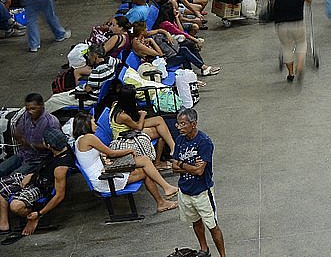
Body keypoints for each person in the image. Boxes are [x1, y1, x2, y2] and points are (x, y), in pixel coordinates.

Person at [72, 111, 178, 211]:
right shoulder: (88, 138)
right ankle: (163, 199)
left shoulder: (80, 140)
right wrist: (129, 150)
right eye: (93, 122)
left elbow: (96, 156)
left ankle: (165, 191)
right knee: (146, 170)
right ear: (86, 124)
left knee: (144, 160)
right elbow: (111, 153)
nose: (96, 125)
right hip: (105, 180)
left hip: (105, 172)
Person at [172, 108, 226, 257]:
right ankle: (204, 249)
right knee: (195, 222)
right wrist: (188, 166)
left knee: (212, 225)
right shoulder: (179, 140)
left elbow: (199, 171)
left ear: (193, 124)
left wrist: (182, 165)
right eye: (178, 124)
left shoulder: (204, 142)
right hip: (185, 191)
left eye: (183, 124)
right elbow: (173, 167)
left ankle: (223, 255)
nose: (180, 127)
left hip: (202, 191)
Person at [0, 127, 71, 238]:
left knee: (16, 206)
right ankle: (4, 225)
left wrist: (39, 213)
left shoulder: (60, 168)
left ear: (48, 145)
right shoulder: (60, 148)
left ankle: (32, 217)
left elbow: (59, 195)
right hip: (35, 176)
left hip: (41, 187)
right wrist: (31, 174)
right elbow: (43, 164)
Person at [0, 93, 64, 177]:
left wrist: (30, 145)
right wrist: (17, 135)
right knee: (1, 169)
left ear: (42, 105)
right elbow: (18, 131)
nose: (30, 112)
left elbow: (55, 147)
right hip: (23, 154)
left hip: (38, 160)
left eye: (33, 109)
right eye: (28, 109)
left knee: (13, 177)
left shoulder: (51, 123)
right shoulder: (26, 116)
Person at [269, 0, 312, 81]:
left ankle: (291, 73)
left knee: (286, 47)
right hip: (297, 23)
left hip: (281, 25)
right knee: (301, 43)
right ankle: (300, 65)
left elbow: (271, 2)